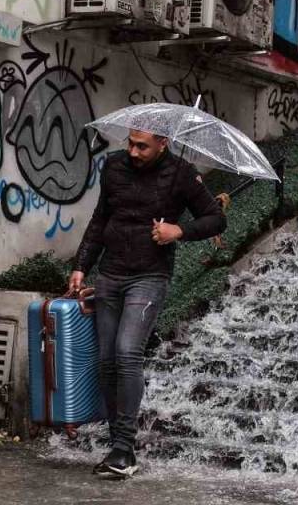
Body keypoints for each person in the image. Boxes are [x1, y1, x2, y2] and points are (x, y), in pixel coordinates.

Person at [69, 128, 226, 478]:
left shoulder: (181, 173)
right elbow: (100, 219)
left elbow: (216, 218)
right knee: (107, 361)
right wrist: (81, 265)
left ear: (163, 143)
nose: (134, 151)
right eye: (130, 143)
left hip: (149, 277)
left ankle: (124, 449)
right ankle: (118, 447)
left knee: (127, 353)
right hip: (110, 274)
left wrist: (179, 231)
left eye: (142, 146)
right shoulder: (114, 166)